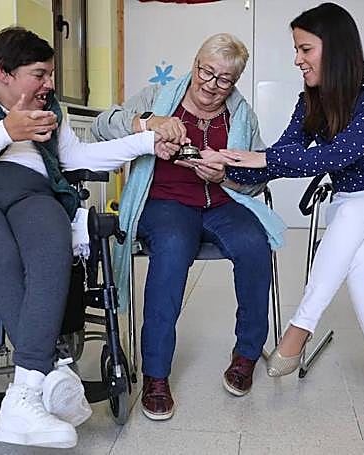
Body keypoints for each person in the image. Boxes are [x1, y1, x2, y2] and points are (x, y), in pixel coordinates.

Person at [0, 27, 174, 448]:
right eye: (40, 74)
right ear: (4, 72)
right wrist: (5, 131)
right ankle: (49, 372)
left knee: (52, 247)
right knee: (1, 255)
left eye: (50, 74)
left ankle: (24, 393)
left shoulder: (50, 108)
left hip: (32, 192)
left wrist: (146, 141)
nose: (50, 84)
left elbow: (78, 156)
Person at [207, 3, 364, 426]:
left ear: (334, 48)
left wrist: (264, 159)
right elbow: (282, 154)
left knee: (351, 217)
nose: (297, 60)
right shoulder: (310, 101)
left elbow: (338, 154)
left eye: (305, 49)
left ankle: (299, 330)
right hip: (357, 210)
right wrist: (226, 165)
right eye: (296, 50)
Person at [91, 33, 285, 421]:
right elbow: (101, 126)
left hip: (222, 203)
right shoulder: (158, 97)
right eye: (205, 72)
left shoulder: (241, 113)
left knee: (254, 246)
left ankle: (246, 354)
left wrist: (225, 175)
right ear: (195, 63)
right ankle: (156, 374)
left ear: (235, 81)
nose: (211, 85)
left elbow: (258, 176)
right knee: (173, 248)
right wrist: (149, 125)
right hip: (165, 204)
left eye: (224, 79)